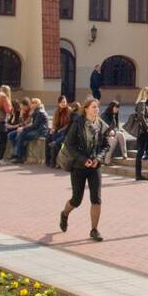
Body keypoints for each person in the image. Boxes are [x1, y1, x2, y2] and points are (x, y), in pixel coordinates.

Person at [59, 97, 110, 241]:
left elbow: (106, 145)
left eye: (97, 107)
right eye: (93, 107)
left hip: (95, 166)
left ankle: (94, 230)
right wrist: (83, 159)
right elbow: (69, 144)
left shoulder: (100, 124)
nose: (96, 109)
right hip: (78, 166)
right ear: (86, 109)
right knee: (76, 200)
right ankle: (64, 214)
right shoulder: (78, 123)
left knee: (96, 199)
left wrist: (98, 159)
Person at [9, 98, 48, 163]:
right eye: (32, 103)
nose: (32, 105)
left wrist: (23, 129)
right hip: (34, 129)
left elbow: (35, 125)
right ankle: (16, 153)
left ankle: (19, 156)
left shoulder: (40, 112)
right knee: (11, 135)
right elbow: (29, 123)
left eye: (34, 103)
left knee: (21, 135)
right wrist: (22, 123)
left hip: (40, 131)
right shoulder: (35, 111)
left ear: (38, 104)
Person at [46, 96, 71, 167]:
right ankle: (48, 160)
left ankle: (55, 161)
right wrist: (53, 129)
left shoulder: (69, 111)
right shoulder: (57, 111)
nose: (63, 104)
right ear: (58, 103)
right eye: (61, 102)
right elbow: (54, 123)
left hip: (65, 131)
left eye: (64, 102)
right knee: (49, 136)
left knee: (56, 141)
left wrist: (60, 130)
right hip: (58, 130)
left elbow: (69, 124)